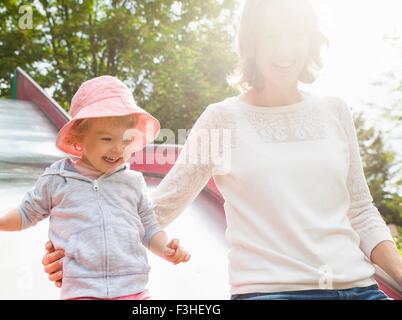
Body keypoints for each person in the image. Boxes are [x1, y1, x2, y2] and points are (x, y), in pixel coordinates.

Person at [43, 0, 402, 300]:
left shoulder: (334, 111)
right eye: (271, 36)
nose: (284, 49)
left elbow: (360, 211)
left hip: (360, 288)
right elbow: (155, 211)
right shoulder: (223, 119)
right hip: (272, 292)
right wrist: (79, 253)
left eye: (295, 35)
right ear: (251, 44)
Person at [0, 75, 190, 300]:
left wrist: (166, 248)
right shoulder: (58, 179)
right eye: (107, 139)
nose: (119, 149)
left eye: (127, 140)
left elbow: (149, 228)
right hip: (81, 290)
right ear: (79, 138)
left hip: (134, 288)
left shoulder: (133, 182)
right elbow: (27, 212)